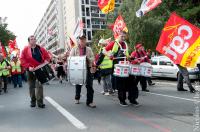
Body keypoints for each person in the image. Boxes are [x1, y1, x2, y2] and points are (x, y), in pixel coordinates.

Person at [103, 31, 138, 106]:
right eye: (121, 36)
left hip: (126, 66)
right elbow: (104, 51)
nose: (123, 38)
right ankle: (122, 100)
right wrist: (109, 55)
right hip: (118, 67)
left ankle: (132, 99)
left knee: (132, 83)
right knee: (121, 85)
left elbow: (127, 56)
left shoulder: (125, 44)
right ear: (118, 36)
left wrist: (131, 58)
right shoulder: (113, 43)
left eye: (124, 36)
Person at [20, 35, 51, 108]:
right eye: (31, 39)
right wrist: (28, 67)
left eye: (34, 39)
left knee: (39, 86)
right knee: (31, 86)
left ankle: (40, 102)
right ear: (29, 41)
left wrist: (45, 62)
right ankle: (33, 100)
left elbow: (47, 57)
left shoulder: (41, 49)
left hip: (39, 70)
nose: (33, 40)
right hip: (30, 70)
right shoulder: (25, 50)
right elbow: (22, 60)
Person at [69, 35, 96, 108]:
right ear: (79, 41)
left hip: (88, 68)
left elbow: (93, 58)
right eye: (81, 40)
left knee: (89, 85)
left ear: (85, 40)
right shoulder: (74, 49)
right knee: (78, 84)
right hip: (78, 68)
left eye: (84, 40)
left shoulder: (89, 49)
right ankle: (77, 97)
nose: (82, 41)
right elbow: (70, 58)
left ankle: (90, 102)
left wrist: (88, 59)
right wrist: (78, 60)